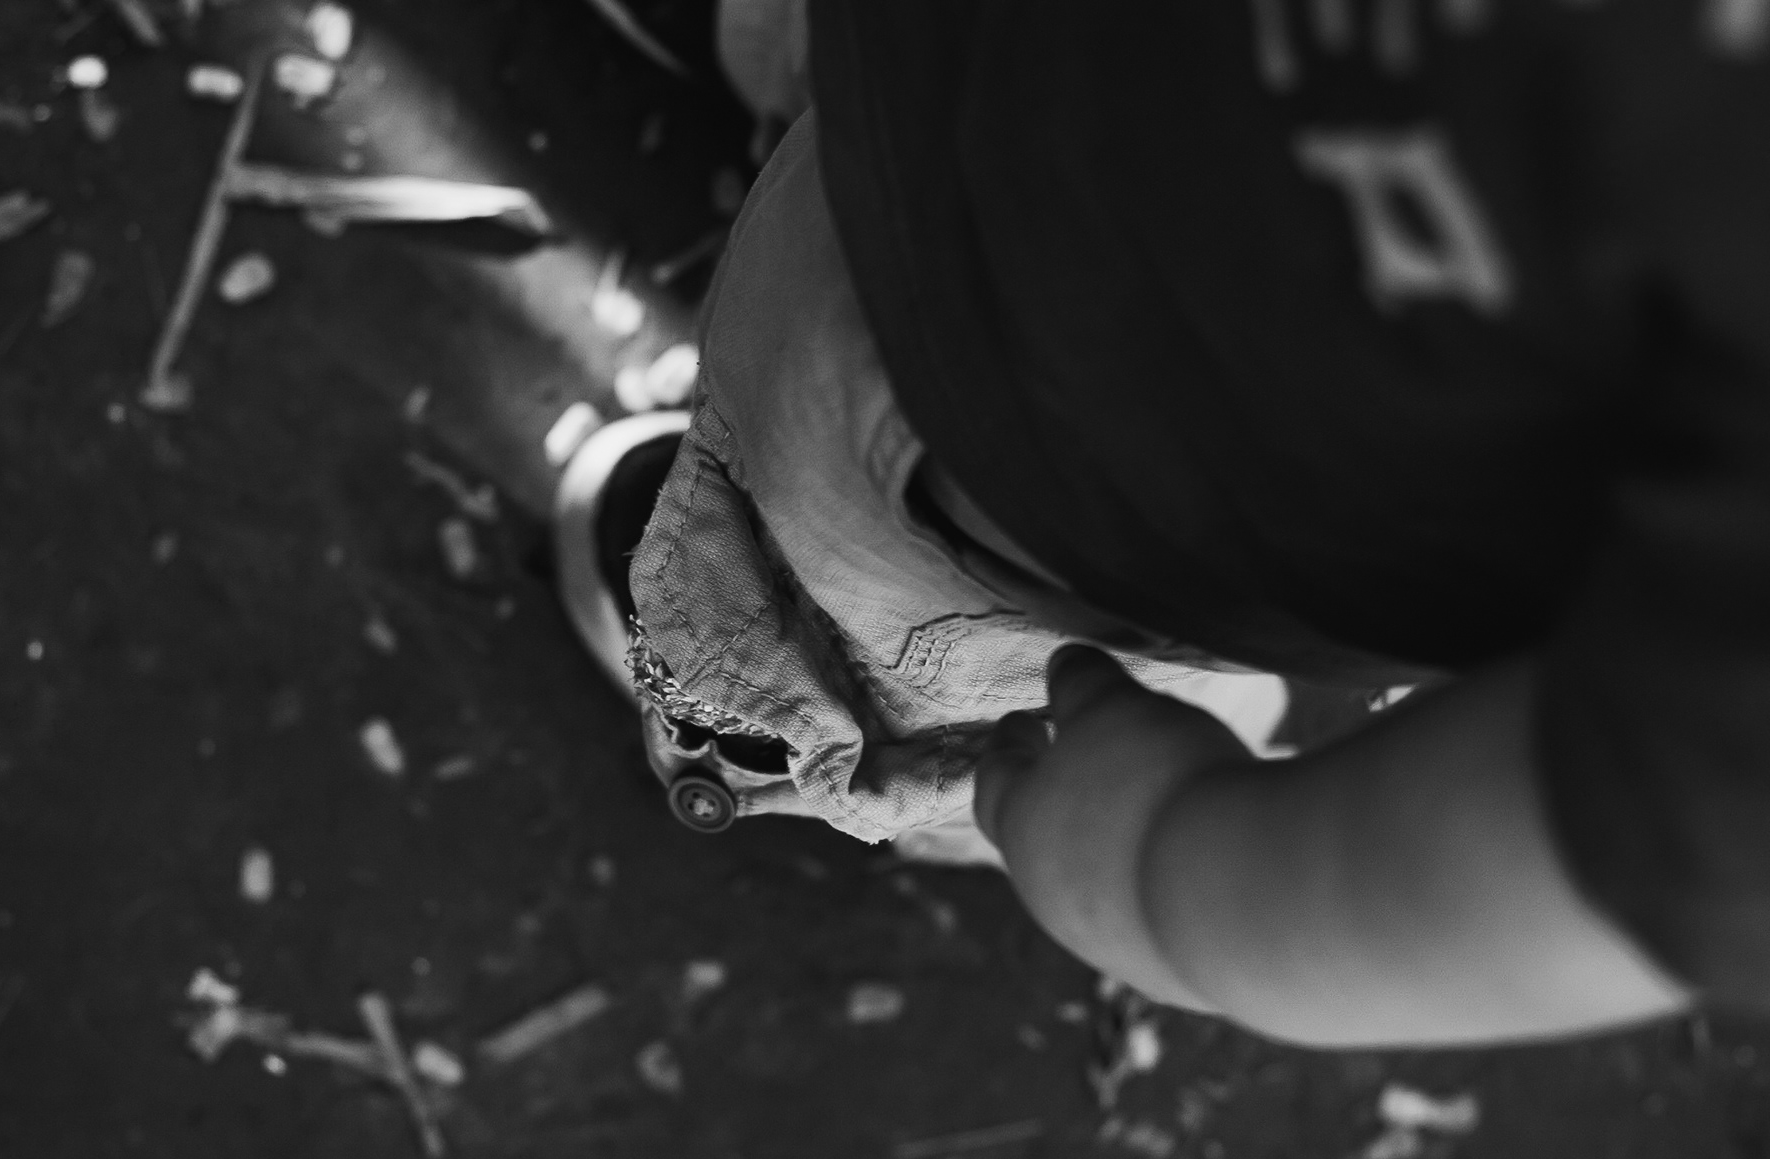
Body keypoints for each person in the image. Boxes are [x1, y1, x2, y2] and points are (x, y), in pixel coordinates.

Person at [556, 0, 1770, 1044]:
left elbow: (1626, 841)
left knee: (867, 646)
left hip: (1029, 495)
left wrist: (1160, 864)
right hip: (968, 97)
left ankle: (764, 697)